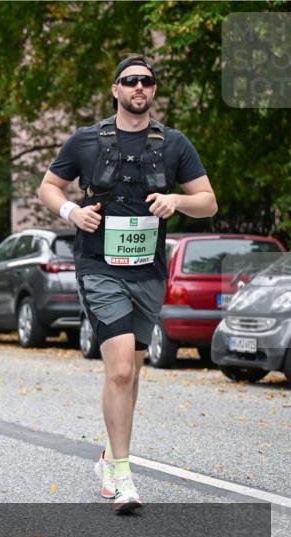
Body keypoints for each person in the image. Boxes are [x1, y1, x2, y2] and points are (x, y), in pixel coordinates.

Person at [37, 55, 217, 513]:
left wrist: (177, 199)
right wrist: (71, 212)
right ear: (115, 89)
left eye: (147, 81)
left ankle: (109, 458)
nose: (139, 87)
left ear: (153, 91)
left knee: (132, 370)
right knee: (118, 369)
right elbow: (48, 188)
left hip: (148, 270)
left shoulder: (174, 144)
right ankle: (122, 474)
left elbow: (208, 203)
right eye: (130, 81)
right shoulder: (86, 140)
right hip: (99, 266)